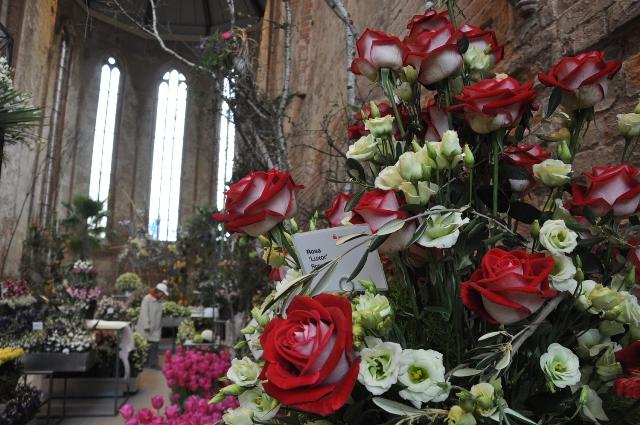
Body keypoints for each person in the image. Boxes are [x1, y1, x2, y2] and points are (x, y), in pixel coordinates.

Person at [136, 281, 169, 369]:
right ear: (159, 292)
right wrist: (146, 326)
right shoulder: (147, 299)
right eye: (163, 294)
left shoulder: (159, 301)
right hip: (146, 328)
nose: (163, 296)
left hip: (156, 328)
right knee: (145, 346)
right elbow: (144, 313)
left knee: (155, 346)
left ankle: (154, 363)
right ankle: (144, 363)